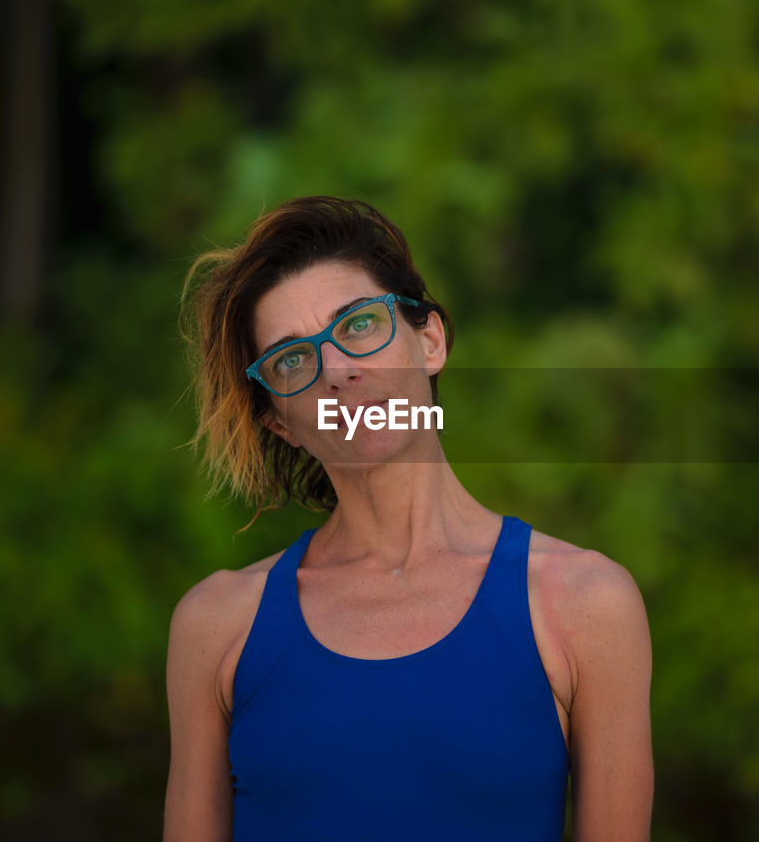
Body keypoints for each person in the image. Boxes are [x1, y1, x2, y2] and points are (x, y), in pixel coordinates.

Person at [165, 196, 653, 841]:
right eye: (292, 359)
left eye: (359, 325)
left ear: (429, 341)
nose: (337, 371)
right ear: (277, 420)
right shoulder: (217, 625)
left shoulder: (586, 605)